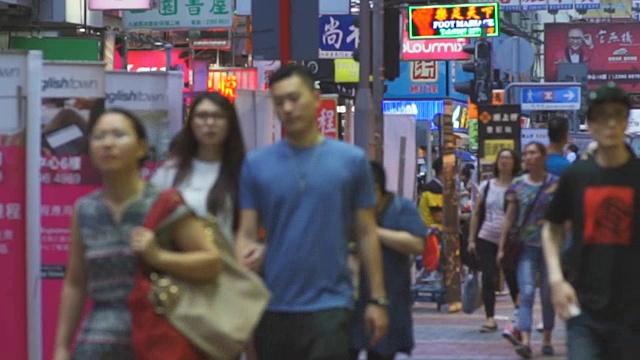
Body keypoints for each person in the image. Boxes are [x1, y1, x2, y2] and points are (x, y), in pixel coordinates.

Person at [234, 64, 388, 360]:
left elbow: (367, 232)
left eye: (295, 98)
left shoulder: (351, 161)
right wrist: (245, 252)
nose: (288, 108)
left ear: (316, 99)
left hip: (331, 305)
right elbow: (246, 232)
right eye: (279, 102)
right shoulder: (256, 164)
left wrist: (378, 299)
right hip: (272, 305)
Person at [52, 109, 220, 360]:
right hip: (97, 343)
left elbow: (211, 262)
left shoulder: (164, 204)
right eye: (99, 137)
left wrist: (159, 256)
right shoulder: (84, 209)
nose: (108, 143)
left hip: (156, 339)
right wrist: (62, 347)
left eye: (119, 135)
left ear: (141, 147)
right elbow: (75, 283)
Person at [542, 83, 640, 359]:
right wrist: (556, 279)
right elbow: (551, 227)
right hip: (584, 307)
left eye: (617, 115)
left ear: (625, 121)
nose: (610, 123)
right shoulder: (577, 176)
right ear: (590, 124)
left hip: (633, 311)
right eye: (601, 116)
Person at [350, 161, 427, 360]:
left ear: (376, 187)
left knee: (382, 352)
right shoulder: (348, 210)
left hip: (390, 298)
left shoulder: (401, 208)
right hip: (349, 302)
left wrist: (373, 232)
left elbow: (417, 244)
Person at [151, 92, 246, 243]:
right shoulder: (169, 172)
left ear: (230, 123)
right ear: (191, 123)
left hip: (227, 261)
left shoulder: (244, 172)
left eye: (218, 116)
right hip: (176, 260)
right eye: (202, 116)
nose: (209, 122)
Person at [497, 142, 559, 359]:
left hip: (550, 248)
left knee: (547, 295)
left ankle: (548, 338)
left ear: (543, 157)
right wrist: (501, 246)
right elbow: (509, 218)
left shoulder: (555, 184)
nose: (528, 157)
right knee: (527, 292)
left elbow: (563, 218)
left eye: (533, 153)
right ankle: (525, 340)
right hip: (525, 248)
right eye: (526, 153)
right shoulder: (517, 185)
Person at [467, 149, 521, 333]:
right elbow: (476, 214)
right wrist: (471, 239)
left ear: (515, 163)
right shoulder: (487, 186)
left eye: (508, 158)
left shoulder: (519, 185)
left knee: (513, 278)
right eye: (502, 158)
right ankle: (490, 318)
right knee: (488, 277)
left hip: (511, 240)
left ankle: (521, 315)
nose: (504, 161)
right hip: (487, 236)